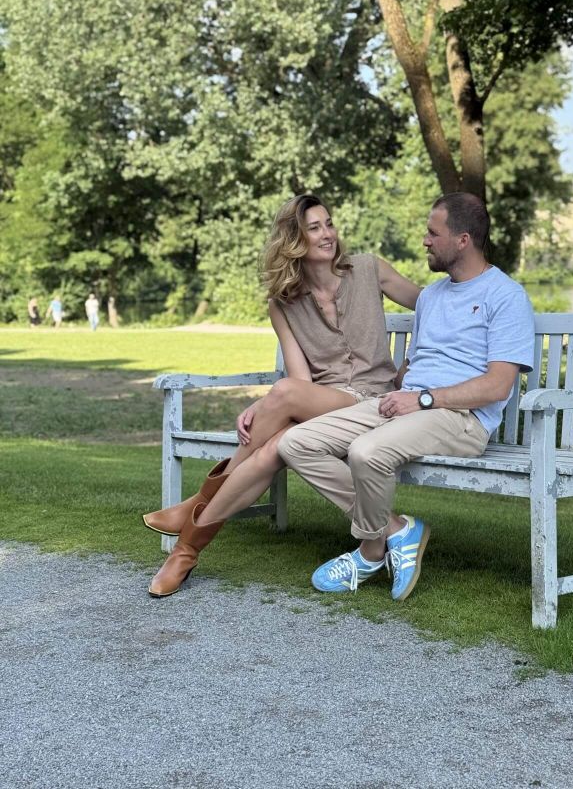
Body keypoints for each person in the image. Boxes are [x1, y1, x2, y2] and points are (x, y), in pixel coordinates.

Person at [145, 193, 421, 598]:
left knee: (277, 427)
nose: (327, 234)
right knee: (273, 442)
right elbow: (300, 380)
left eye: (329, 223)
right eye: (315, 228)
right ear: (294, 240)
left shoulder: (369, 269)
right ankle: (185, 552)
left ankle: (193, 518)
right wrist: (266, 404)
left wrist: (416, 364)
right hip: (327, 404)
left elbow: (433, 305)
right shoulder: (283, 304)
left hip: (376, 401)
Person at [277, 192, 536, 602]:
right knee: (296, 443)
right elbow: (417, 363)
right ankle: (398, 529)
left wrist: (424, 400)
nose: (425, 241)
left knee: (366, 452)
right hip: (408, 404)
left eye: (433, 233)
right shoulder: (432, 297)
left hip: (462, 419)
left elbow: (497, 386)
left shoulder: (505, 296)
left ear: (463, 240)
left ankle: (369, 552)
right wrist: (398, 391)